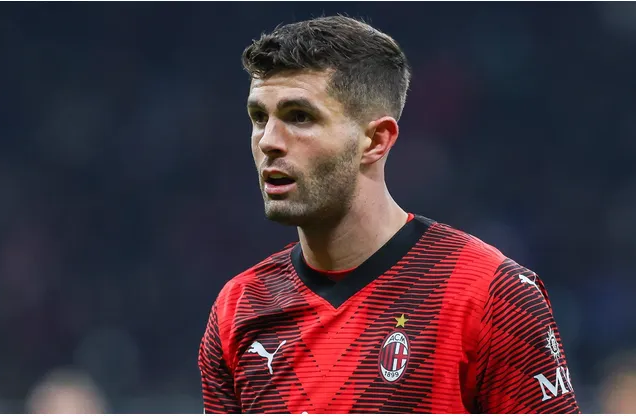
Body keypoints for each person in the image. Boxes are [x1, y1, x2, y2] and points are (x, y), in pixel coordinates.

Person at [198, 15, 580, 414]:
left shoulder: (490, 295)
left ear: (375, 141)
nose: (269, 141)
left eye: (299, 116)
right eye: (259, 118)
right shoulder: (239, 308)